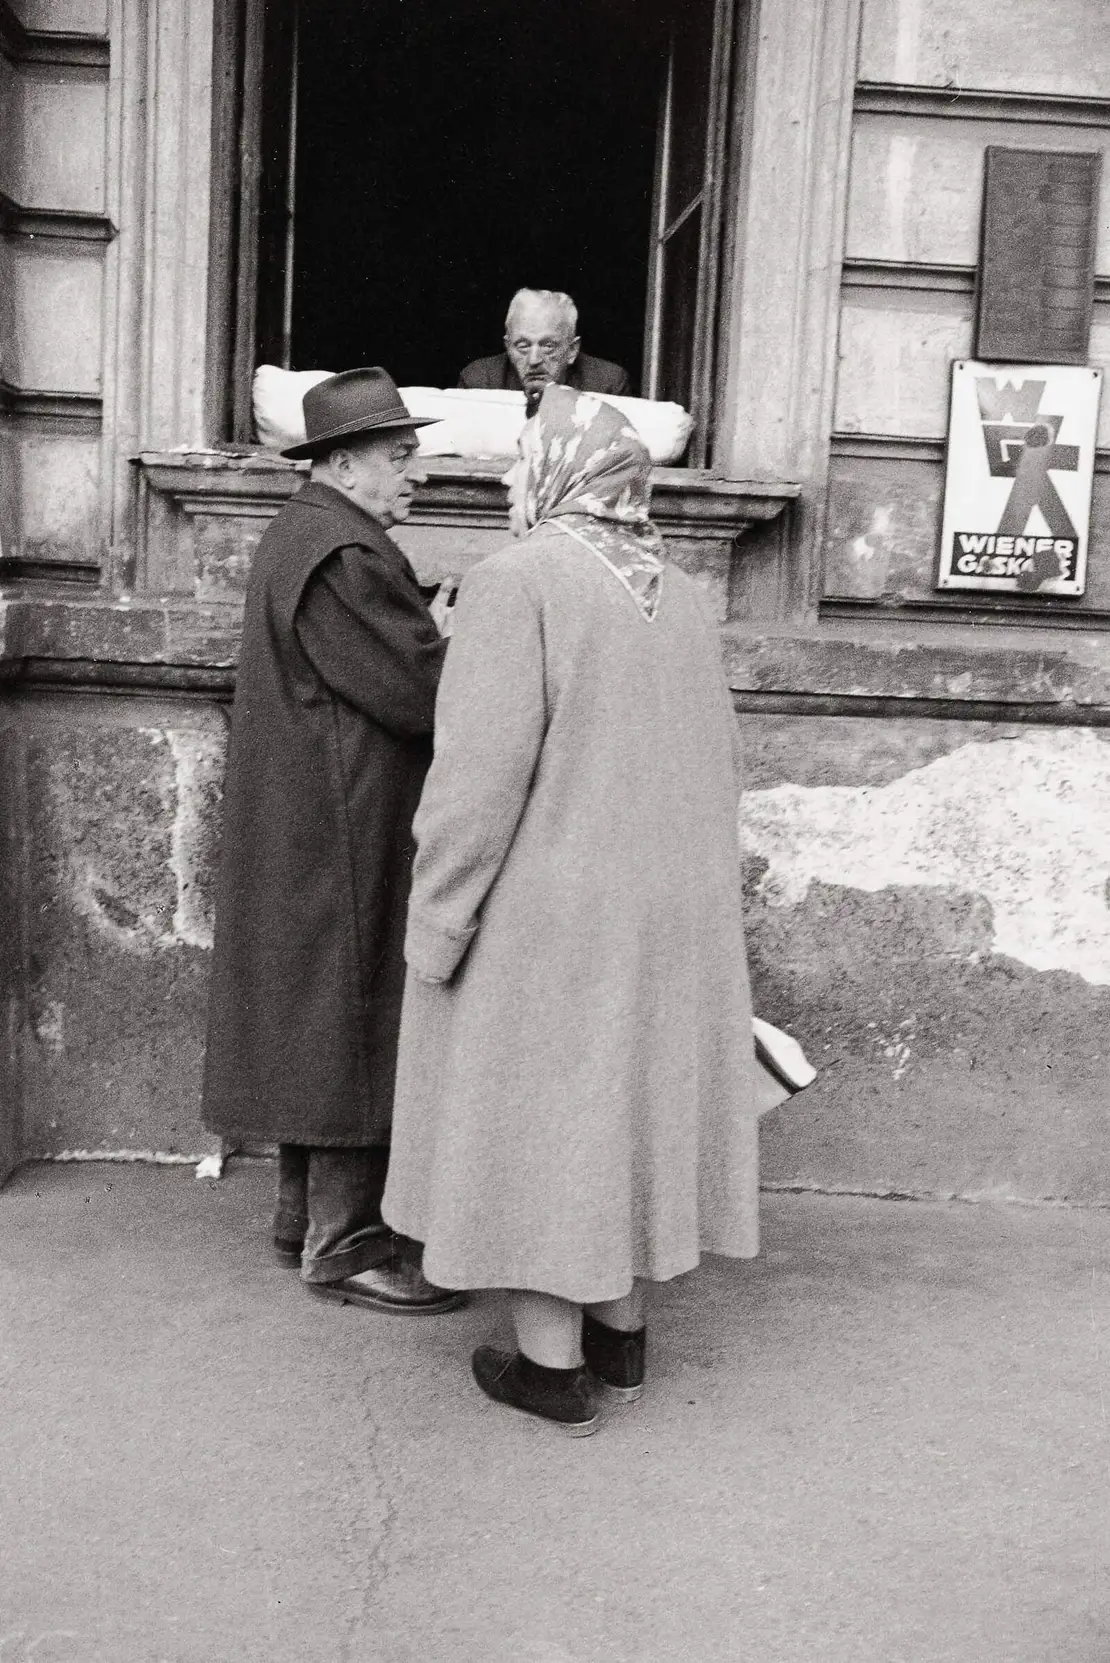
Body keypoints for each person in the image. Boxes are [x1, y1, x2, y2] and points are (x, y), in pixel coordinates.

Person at [381, 386, 760, 1433]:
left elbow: (476, 782)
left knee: (543, 1130)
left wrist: (437, 921)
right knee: (622, 1117)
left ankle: (551, 1369)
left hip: (550, 913)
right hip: (668, 912)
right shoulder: (685, 596)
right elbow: (724, 763)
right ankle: (622, 1341)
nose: (511, 477)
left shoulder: (516, 581)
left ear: (558, 474)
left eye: (521, 459)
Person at [202, 366, 464, 1315]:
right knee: (354, 1017)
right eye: (400, 455)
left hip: (319, 817)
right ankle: (348, 1243)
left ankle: (301, 1220)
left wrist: (421, 621)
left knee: (315, 1020)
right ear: (344, 464)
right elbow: (418, 691)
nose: (415, 473)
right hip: (348, 824)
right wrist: (448, 636)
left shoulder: (306, 534)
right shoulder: (343, 552)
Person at [458, 288, 632, 414]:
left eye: (548, 346)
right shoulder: (479, 382)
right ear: (508, 347)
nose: (534, 360)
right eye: (523, 346)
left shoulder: (607, 386)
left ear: (572, 350)